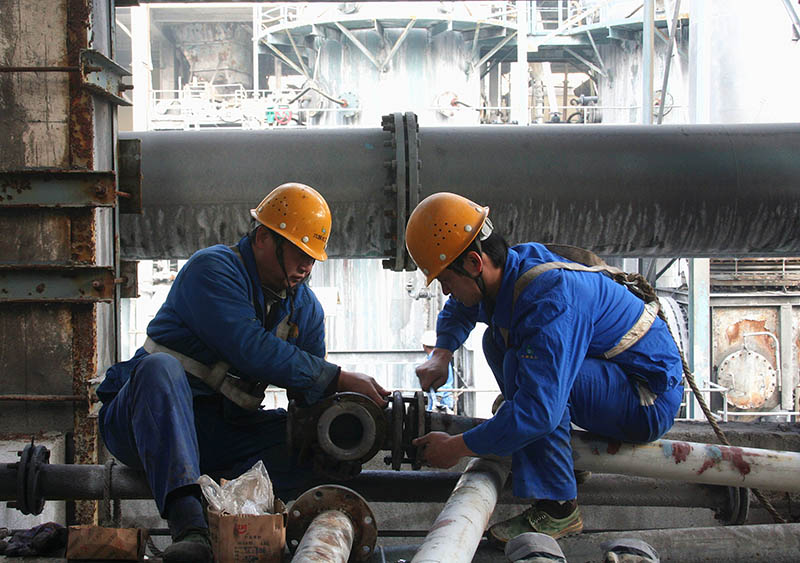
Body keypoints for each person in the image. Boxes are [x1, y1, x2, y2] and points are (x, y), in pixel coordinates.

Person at [96, 183, 389, 563]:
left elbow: (310, 400)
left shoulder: (305, 311)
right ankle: (191, 530)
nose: (306, 267)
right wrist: (338, 376)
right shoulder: (213, 269)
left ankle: (266, 532)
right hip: (144, 423)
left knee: (313, 447)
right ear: (264, 237)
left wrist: (344, 426)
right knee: (159, 369)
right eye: (299, 253)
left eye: (312, 258)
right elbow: (249, 348)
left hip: (221, 434)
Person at [406, 192, 683, 548]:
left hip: (646, 397)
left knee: (527, 381)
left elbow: (538, 410)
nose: (446, 291)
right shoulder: (510, 270)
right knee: (497, 342)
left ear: (474, 263)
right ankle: (556, 456)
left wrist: (457, 447)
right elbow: (463, 306)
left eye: (446, 280)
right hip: (614, 375)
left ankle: (558, 508)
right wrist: (441, 354)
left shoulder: (550, 300)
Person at [421, 330, 455, 412]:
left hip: (442, 401)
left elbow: (441, 381)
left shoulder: (435, 359)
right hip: (440, 398)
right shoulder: (439, 357)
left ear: (424, 346)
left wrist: (438, 399)